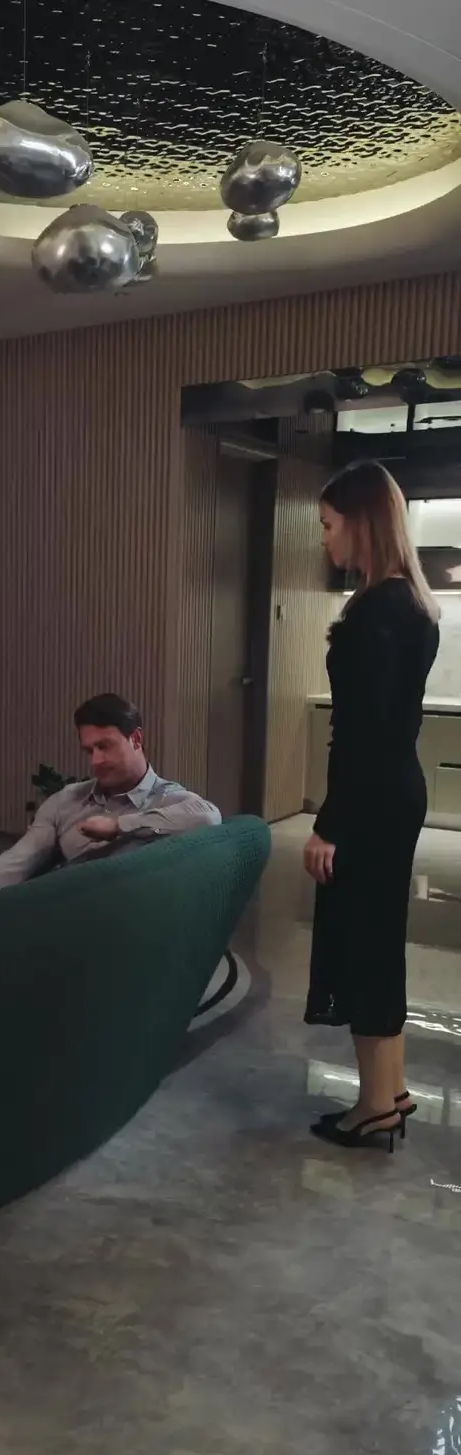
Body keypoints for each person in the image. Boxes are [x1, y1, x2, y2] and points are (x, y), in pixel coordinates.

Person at [304, 461, 439, 1152]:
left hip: (371, 798)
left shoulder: (376, 612)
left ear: (361, 522)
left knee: (363, 945)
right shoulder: (411, 603)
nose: (325, 538)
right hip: (396, 790)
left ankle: (375, 1107)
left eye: (329, 525)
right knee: (381, 941)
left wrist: (329, 824)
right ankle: (392, 1089)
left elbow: (360, 733)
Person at [0, 693, 221, 902]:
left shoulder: (166, 798)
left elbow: (208, 816)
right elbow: (17, 862)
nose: (96, 761)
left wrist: (119, 826)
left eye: (105, 746)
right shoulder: (67, 800)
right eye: (90, 751)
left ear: (136, 739)